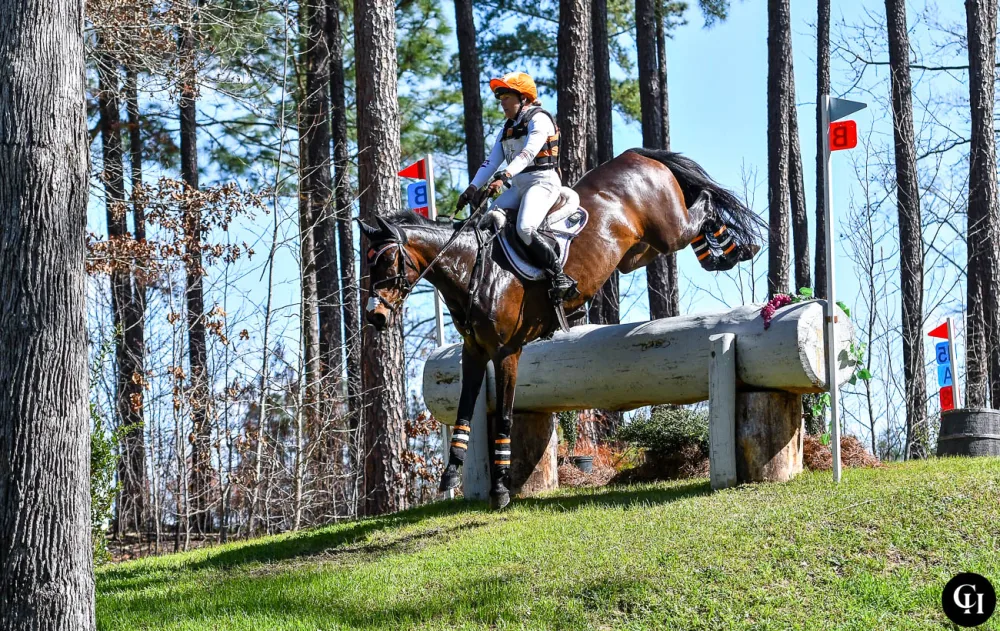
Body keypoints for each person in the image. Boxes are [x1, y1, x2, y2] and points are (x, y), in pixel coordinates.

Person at [456, 71, 578, 302]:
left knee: (525, 228)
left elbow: (528, 153)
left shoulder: (539, 119)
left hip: (543, 182)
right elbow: (491, 162)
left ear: (523, 98)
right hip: (519, 186)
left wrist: (505, 175)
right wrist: (471, 188)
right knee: (485, 224)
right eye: (500, 98)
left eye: (506, 97)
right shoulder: (507, 128)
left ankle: (558, 276)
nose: (502, 103)